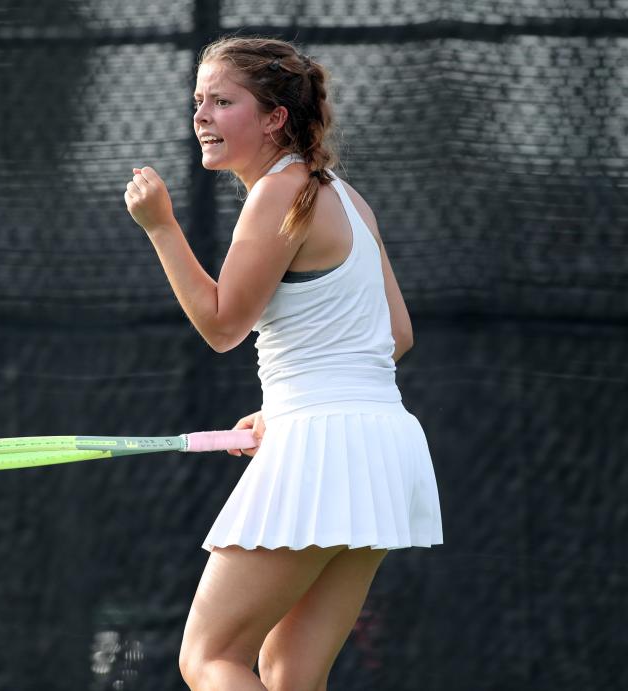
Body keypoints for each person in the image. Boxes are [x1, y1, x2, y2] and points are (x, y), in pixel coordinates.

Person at [124, 36, 443, 691]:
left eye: (223, 101)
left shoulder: (278, 194)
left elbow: (220, 324)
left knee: (210, 658)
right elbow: (397, 335)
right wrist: (285, 407)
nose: (202, 115)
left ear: (274, 118)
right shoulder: (348, 198)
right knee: (289, 673)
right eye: (198, 101)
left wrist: (161, 226)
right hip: (385, 444)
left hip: (327, 444)